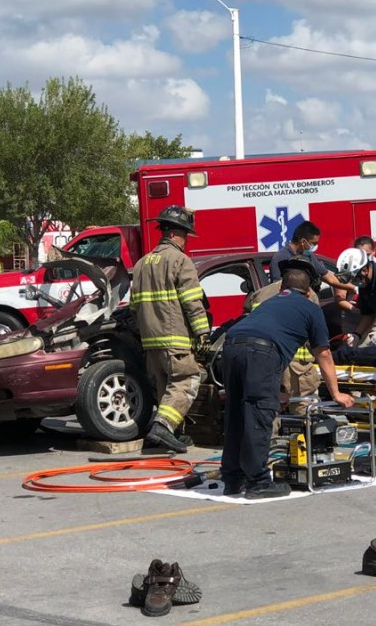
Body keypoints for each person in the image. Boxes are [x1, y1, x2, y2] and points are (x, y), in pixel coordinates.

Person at [221, 258, 355, 499]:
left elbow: (268, 342)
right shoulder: (310, 308)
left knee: (236, 413)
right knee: (258, 414)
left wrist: (280, 389)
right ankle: (258, 482)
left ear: (283, 285)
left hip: (231, 346)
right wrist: (336, 394)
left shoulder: (269, 303)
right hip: (260, 353)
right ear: (310, 289)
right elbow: (323, 354)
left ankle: (232, 479)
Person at [131, 205, 210, 453]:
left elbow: (134, 306)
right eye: (185, 235)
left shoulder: (142, 263)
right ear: (176, 234)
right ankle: (163, 426)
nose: (186, 240)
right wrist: (203, 333)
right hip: (175, 339)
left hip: (150, 341)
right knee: (187, 379)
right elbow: (192, 302)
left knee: (166, 388)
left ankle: (170, 434)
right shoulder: (180, 261)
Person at [244, 263, 323, 415]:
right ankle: (304, 437)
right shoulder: (309, 296)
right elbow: (316, 341)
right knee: (304, 412)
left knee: (268, 408)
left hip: (264, 362)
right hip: (297, 369)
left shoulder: (261, 294)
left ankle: (272, 438)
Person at [268, 220, 356, 293]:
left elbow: (330, 278)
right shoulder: (281, 258)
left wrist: (354, 288)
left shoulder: (309, 256)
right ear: (303, 241)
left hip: (311, 303)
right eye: (314, 243)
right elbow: (277, 289)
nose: (316, 246)